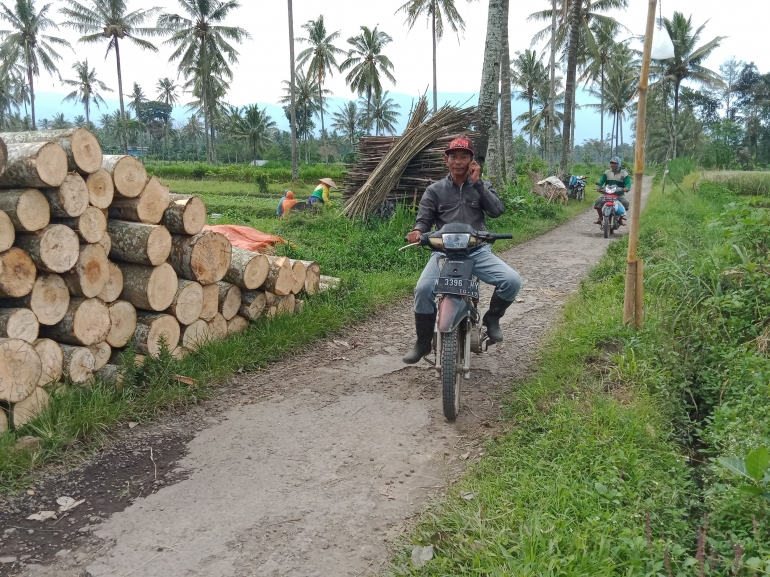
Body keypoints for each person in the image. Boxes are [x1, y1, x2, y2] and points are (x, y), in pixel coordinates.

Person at [403, 136, 522, 364]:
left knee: (512, 280)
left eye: (464, 157)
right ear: (446, 159)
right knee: (423, 289)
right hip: (443, 253)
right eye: (454, 156)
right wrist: (418, 232)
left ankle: (492, 318)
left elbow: (497, 211)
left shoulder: (482, 186)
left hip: (476, 251)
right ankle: (422, 342)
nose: (459, 161)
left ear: (472, 161)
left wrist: (478, 184)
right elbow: (423, 221)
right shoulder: (434, 190)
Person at [594, 157, 631, 225]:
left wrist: (626, 188)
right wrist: (599, 187)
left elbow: (628, 183)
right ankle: (600, 218)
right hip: (607, 193)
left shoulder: (624, 173)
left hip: (619, 194)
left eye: (615, 164)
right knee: (598, 202)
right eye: (612, 163)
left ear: (619, 164)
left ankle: (620, 219)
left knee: (626, 203)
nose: (613, 165)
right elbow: (601, 181)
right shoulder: (607, 172)